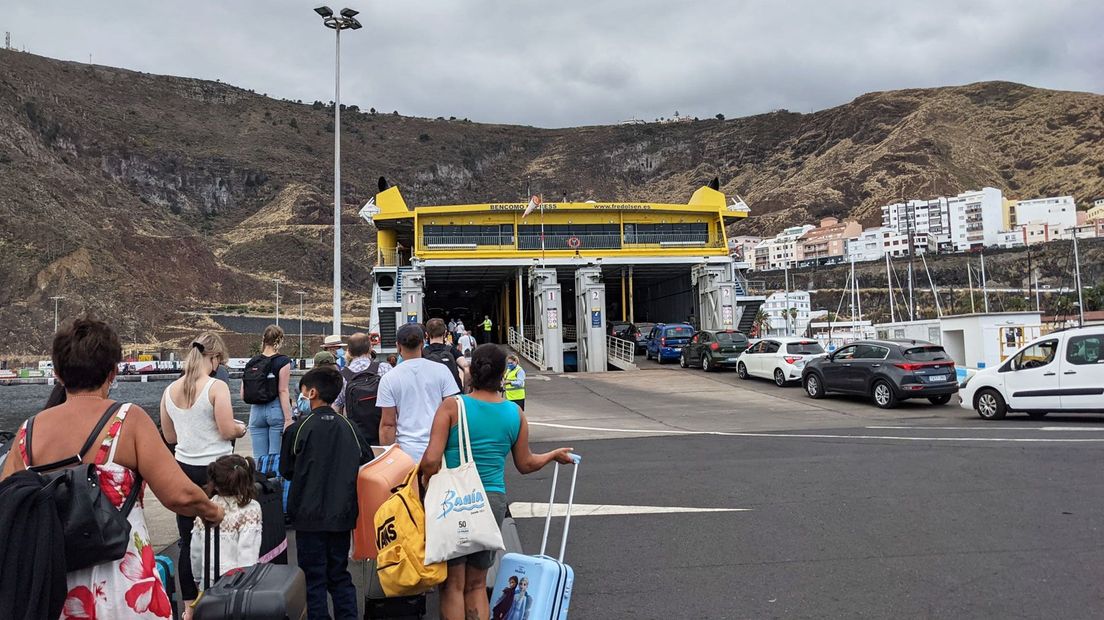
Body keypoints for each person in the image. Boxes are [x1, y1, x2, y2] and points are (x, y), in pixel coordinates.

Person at [0, 317, 224, 620]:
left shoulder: (27, 433)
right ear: (113, 371)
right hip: (123, 589)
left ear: (57, 374)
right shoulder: (126, 419)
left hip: (52, 590)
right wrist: (213, 512)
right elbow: (178, 495)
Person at [420, 344, 573, 620]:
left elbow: (431, 461)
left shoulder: (453, 406)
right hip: (491, 500)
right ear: (502, 374)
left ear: (471, 372)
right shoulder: (515, 413)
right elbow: (525, 464)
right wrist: (552, 455)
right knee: (478, 583)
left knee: (452, 584)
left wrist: (422, 479)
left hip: (453, 500)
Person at [161, 332, 247, 611]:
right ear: (214, 358)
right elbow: (225, 429)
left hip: (184, 470)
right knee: (225, 537)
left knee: (187, 541)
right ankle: (223, 601)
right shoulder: (216, 387)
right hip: (218, 471)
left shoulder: (169, 391)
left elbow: (170, 437)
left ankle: (189, 607)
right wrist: (240, 428)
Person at [280, 366, 371, 620]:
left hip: (308, 516)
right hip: (342, 513)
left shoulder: (298, 428)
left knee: (313, 577)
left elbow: (286, 470)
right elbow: (367, 460)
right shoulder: (348, 426)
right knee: (340, 574)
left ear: (312, 393)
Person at [377, 323, 460, 462]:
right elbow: (453, 413)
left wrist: (389, 461)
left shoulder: (388, 379)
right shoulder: (441, 370)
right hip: (440, 450)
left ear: (398, 346)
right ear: (423, 344)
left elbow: (388, 425)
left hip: (406, 454)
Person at [190, 455, 262, 595]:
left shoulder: (207, 508)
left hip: (209, 581)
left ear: (214, 483)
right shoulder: (250, 509)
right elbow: (248, 552)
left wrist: (198, 577)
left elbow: (196, 550)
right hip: (237, 582)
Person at [243, 325, 293, 457]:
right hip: (275, 408)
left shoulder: (252, 362)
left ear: (263, 339)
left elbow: (243, 393)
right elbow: (283, 390)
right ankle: (273, 478)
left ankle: (260, 477)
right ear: (280, 340)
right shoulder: (283, 361)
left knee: (259, 458)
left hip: (256, 411)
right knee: (275, 457)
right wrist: (288, 419)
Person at [334, 332, 392, 442]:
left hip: (356, 437)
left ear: (349, 352)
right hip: (383, 433)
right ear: (370, 348)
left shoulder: (342, 376)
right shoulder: (384, 368)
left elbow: (336, 407)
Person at [424, 318, 469, 394]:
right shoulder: (452, 350)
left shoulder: (423, 352)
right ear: (445, 333)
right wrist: (465, 392)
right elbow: (466, 368)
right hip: (453, 396)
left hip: (430, 397)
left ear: (426, 335)